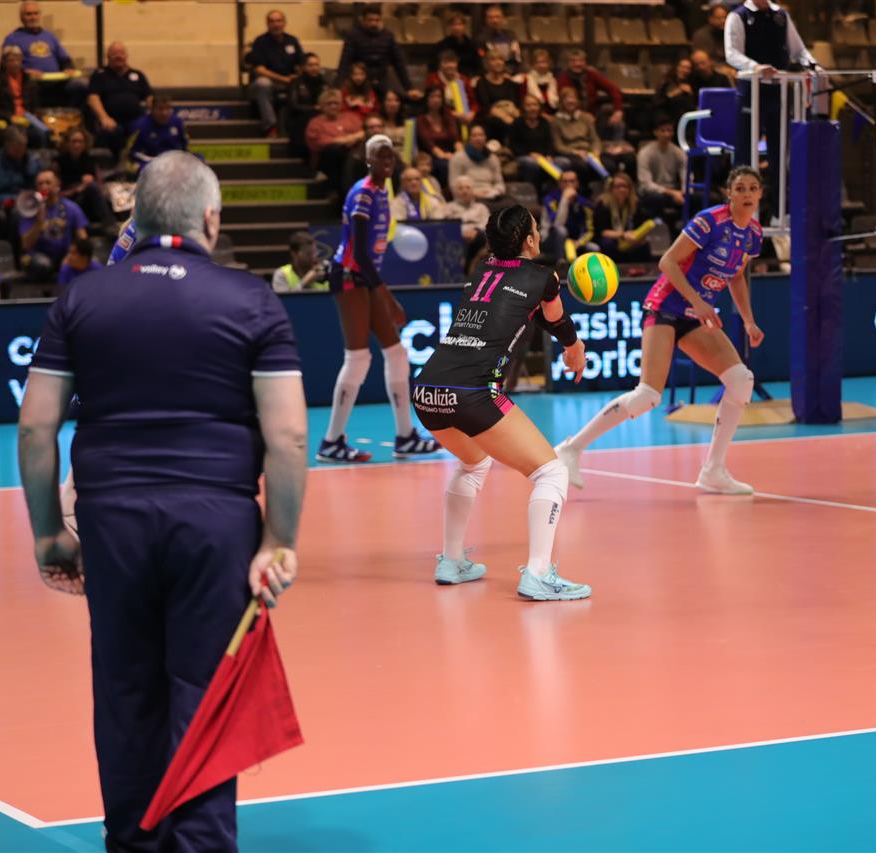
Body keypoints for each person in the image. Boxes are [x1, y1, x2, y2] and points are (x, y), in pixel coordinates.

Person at [17, 150, 307, 849]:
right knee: (206, 697)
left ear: (137, 218)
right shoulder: (252, 301)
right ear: (211, 218)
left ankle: (132, 841)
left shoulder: (81, 298)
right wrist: (278, 540)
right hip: (216, 523)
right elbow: (290, 434)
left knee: (125, 691)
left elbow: (34, 425)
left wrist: (50, 532)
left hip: (111, 520)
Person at [412, 205, 590, 599]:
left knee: (473, 463)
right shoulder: (543, 277)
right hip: (473, 392)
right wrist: (574, 347)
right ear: (529, 240)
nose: (539, 233)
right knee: (551, 472)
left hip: (427, 390)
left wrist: (570, 343)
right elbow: (555, 319)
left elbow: (526, 309)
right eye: (536, 228)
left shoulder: (482, 271)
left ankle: (452, 560)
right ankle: (539, 574)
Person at [555, 166, 765, 495]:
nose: (747, 194)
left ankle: (713, 470)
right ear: (729, 193)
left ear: (760, 194)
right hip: (665, 306)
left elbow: (736, 277)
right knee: (648, 396)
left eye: (753, 188)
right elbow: (667, 261)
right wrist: (699, 302)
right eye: (740, 188)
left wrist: (749, 320)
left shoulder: (753, 233)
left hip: (695, 316)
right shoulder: (710, 221)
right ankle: (570, 449)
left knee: (741, 380)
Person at [320, 134, 439, 463]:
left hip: (363, 277)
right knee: (358, 358)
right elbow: (359, 252)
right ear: (368, 159)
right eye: (380, 156)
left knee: (397, 353)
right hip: (349, 275)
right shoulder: (363, 194)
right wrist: (387, 298)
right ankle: (331, 441)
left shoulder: (382, 191)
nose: (387, 162)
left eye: (391, 157)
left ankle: (406, 436)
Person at [724, 0, 819, 171]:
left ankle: (779, 188)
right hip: (751, 89)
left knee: (780, 148)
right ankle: (743, 187)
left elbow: (798, 50)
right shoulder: (738, 16)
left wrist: (812, 64)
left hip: (779, 89)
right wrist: (754, 67)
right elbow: (732, 53)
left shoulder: (781, 15)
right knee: (746, 147)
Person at [2, 0, 86, 105]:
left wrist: (68, 68)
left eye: (36, 13)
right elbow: (7, 66)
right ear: (21, 17)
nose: (33, 17)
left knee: (82, 85)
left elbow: (64, 59)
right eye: (28, 14)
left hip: (57, 82)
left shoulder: (50, 36)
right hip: (32, 83)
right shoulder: (13, 39)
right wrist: (25, 72)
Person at [335, 4, 419, 100]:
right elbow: (344, 63)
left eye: (377, 20)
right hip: (360, 84)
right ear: (362, 20)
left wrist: (409, 88)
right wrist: (337, 87)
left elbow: (399, 63)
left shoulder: (388, 36)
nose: (373, 23)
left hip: (381, 82)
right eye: (370, 20)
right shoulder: (353, 36)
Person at [20, 169, 89, 282]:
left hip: (65, 253)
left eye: (48, 183)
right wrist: (38, 223)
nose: (44, 186)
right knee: (42, 264)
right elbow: (26, 245)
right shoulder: (31, 210)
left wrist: (74, 255)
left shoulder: (71, 208)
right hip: (39, 256)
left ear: (57, 185)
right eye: (40, 184)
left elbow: (83, 238)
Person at [87, 41, 153, 155]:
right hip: (111, 120)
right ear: (108, 56)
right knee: (113, 131)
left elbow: (149, 97)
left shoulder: (138, 75)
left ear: (126, 56)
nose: (118, 56)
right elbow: (93, 98)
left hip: (135, 120)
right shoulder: (99, 75)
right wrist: (104, 118)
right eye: (114, 53)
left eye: (121, 53)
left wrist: (154, 114)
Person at [246, 9, 303, 137]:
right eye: (272, 21)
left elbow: (301, 63)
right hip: (268, 82)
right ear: (267, 24)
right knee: (263, 83)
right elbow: (259, 69)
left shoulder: (292, 41)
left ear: (284, 23)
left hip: (289, 81)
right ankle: (270, 126)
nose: (276, 24)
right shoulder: (260, 41)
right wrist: (283, 79)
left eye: (278, 21)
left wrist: (297, 75)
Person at [557, 49, 624, 141]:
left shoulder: (591, 74)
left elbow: (613, 89)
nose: (577, 64)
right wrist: (583, 115)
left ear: (585, 62)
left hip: (593, 114)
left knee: (617, 124)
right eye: (573, 61)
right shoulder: (563, 78)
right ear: (568, 63)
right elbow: (565, 103)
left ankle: (613, 148)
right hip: (571, 116)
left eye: (581, 61)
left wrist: (618, 110)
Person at [0, 45, 49, 148]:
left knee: (43, 132)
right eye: (11, 60)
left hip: (27, 117)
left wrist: (35, 115)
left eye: (18, 59)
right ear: (4, 62)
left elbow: (35, 105)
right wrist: (9, 117)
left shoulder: (28, 80)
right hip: (9, 119)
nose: (15, 63)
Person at [304, 89, 364, 185]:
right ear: (322, 106)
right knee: (335, 150)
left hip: (353, 157)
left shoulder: (351, 117)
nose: (333, 106)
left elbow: (363, 132)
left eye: (336, 103)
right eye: (329, 104)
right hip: (327, 160)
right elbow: (317, 143)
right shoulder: (315, 123)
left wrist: (351, 138)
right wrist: (342, 140)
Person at [508, 94, 567, 191]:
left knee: (564, 162)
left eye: (535, 105)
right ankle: (534, 192)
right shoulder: (517, 123)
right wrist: (530, 154)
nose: (532, 108)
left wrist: (549, 155)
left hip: (544, 157)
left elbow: (550, 142)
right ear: (523, 107)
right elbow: (513, 145)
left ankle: (553, 191)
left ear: (539, 107)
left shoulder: (544, 122)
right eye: (528, 105)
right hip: (525, 156)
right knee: (531, 164)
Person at [58, 127, 114, 228]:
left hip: (87, 200)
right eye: (74, 141)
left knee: (94, 187)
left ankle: (108, 223)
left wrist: (90, 183)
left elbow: (99, 187)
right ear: (67, 143)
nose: (77, 145)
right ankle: (108, 223)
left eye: (80, 142)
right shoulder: (59, 162)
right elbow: (57, 191)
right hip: (67, 200)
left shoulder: (90, 161)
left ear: (85, 144)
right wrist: (77, 189)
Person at [637, 116, 688, 226]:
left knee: (700, 198)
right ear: (655, 132)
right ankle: (658, 225)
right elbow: (646, 184)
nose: (666, 134)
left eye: (669, 130)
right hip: (652, 193)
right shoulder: (645, 153)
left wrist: (684, 191)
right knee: (656, 199)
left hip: (675, 192)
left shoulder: (679, 152)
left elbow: (686, 175)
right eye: (663, 131)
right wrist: (672, 192)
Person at [593, 172, 655, 262]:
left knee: (644, 245)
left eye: (625, 186)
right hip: (612, 237)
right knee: (608, 244)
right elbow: (602, 232)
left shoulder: (635, 204)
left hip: (630, 237)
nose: (622, 189)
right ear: (611, 188)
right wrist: (623, 235)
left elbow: (639, 226)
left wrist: (638, 237)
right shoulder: (603, 204)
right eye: (618, 186)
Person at [541, 169, 596, 259]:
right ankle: (560, 262)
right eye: (565, 181)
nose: (568, 184)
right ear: (559, 184)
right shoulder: (550, 199)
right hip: (551, 240)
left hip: (575, 241)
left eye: (572, 181)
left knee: (594, 248)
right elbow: (558, 224)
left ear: (577, 183)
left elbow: (589, 230)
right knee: (561, 231)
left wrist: (579, 243)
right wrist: (564, 200)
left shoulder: (585, 203)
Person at [0, 125, 43, 208]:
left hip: (32, 202)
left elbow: (41, 188)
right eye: (17, 145)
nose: (21, 149)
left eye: (23, 145)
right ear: (7, 144)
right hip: (9, 205)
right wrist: (14, 199)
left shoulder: (34, 162)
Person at [129, 94, 188, 170]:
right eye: (160, 109)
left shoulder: (177, 122)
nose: (164, 113)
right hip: (150, 163)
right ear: (152, 109)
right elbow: (134, 153)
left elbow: (184, 146)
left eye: (168, 109)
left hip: (174, 162)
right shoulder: (140, 126)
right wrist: (156, 161)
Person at [417, 85, 462, 184]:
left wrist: (460, 155)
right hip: (432, 156)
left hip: (451, 153)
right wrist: (444, 155)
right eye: (432, 97)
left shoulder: (448, 117)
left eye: (439, 96)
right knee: (444, 165)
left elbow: (456, 140)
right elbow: (429, 144)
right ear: (426, 99)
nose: (436, 100)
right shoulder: (421, 120)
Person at [448, 123, 504, 202]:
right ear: (469, 139)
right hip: (468, 198)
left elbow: (499, 183)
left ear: (486, 137)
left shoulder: (493, 158)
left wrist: (495, 192)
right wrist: (474, 194)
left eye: (481, 135)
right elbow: (454, 186)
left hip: (491, 196)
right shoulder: (458, 158)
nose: (478, 138)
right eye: (474, 135)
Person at [285, 52, 327, 159]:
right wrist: (313, 108)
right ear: (304, 67)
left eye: (316, 65)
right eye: (310, 65)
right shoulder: (296, 82)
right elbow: (293, 105)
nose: (314, 68)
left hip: (322, 116)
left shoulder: (324, 82)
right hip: (301, 118)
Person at [473, 53, 522, 142]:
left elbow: (515, 104)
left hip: (510, 114)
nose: (498, 62)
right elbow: (487, 106)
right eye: (493, 60)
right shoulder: (482, 83)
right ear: (487, 63)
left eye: (500, 59)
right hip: (492, 119)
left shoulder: (510, 83)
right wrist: (504, 117)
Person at [425, 51, 476, 128]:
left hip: (465, 117)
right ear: (440, 65)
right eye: (445, 62)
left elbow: (473, 101)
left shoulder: (463, 79)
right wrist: (453, 114)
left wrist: (472, 113)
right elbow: (431, 103)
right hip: (442, 117)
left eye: (452, 62)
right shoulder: (433, 79)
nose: (449, 65)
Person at [432, 11, 482, 78]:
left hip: (468, 78)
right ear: (449, 27)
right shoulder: (442, 45)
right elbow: (434, 66)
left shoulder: (472, 45)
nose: (457, 28)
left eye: (459, 24)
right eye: (454, 25)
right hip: (447, 78)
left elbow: (478, 65)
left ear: (465, 26)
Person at [480, 4, 522, 72]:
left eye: (497, 17)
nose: (495, 20)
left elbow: (517, 57)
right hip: (491, 72)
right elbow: (483, 61)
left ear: (503, 18)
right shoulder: (481, 39)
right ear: (486, 20)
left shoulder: (511, 35)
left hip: (512, 71)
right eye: (491, 18)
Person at [692, 4, 731, 70]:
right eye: (719, 18)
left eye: (725, 18)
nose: (723, 21)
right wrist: (722, 69)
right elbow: (701, 61)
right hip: (711, 69)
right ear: (710, 19)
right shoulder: (701, 35)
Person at [523, 49, 559, 114]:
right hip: (533, 114)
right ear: (533, 64)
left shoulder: (554, 80)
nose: (541, 65)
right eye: (537, 62)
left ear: (549, 63)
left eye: (544, 62)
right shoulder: (525, 79)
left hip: (554, 113)